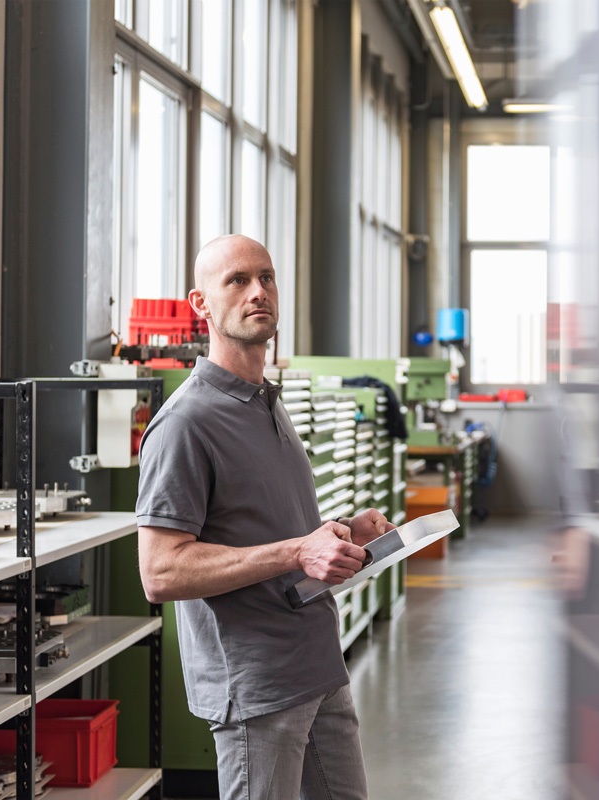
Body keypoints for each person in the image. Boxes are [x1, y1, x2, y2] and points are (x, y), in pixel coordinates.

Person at [135, 234, 396, 800]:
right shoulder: (185, 423)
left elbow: (272, 528)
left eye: (267, 277)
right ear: (200, 304)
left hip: (318, 666)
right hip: (258, 689)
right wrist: (299, 551)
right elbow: (160, 572)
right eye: (237, 280)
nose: (258, 291)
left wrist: (344, 531)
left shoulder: (265, 403)